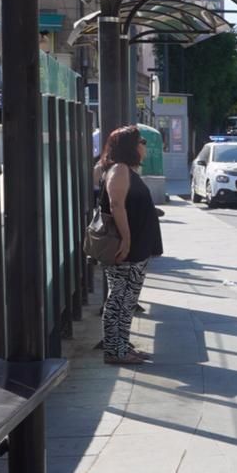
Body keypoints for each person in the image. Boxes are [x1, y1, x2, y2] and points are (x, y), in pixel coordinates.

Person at [95, 125, 163, 366]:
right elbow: (116, 205)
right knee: (119, 299)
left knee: (128, 299)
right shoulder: (120, 170)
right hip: (126, 247)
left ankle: (123, 346)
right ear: (130, 147)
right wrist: (126, 239)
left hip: (136, 245)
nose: (144, 145)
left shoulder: (125, 169)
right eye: (141, 141)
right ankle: (114, 350)